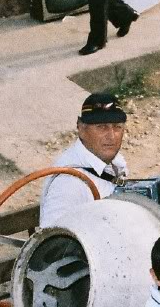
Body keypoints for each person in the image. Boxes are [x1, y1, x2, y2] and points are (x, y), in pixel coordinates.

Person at [40, 93, 129, 227]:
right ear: (81, 128)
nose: (111, 136)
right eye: (101, 127)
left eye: (117, 127)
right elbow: (53, 243)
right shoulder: (68, 183)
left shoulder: (115, 163)